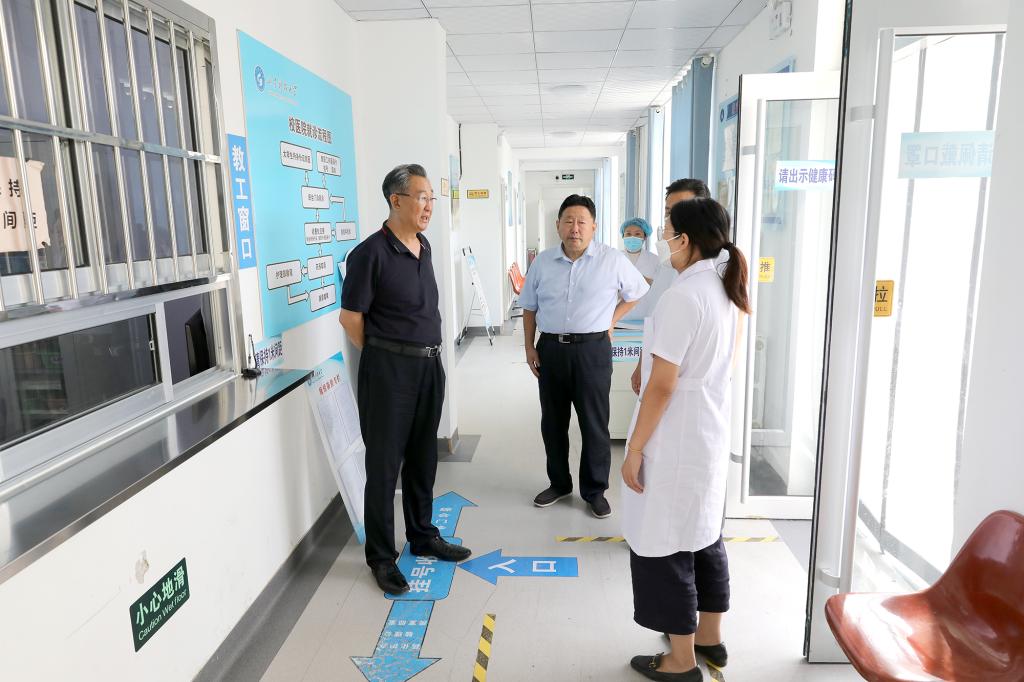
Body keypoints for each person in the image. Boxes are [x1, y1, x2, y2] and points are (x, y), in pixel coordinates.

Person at [621, 198, 751, 681]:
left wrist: (635, 449)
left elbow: (663, 385)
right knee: (703, 534)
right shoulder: (724, 287)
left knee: (666, 543)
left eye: (667, 232)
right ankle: (710, 639)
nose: (662, 241)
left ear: (686, 239)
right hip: (708, 429)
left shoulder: (685, 296)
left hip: (676, 436)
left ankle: (680, 660)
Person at [339, 163, 471, 595]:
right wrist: (385, 355)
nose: (429, 205)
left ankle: (422, 534)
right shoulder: (369, 254)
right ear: (396, 200)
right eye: (421, 197)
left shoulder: (424, 246)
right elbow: (351, 319)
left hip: (429, 367)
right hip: (389, 372)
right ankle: (381, 557)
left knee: (422, 456)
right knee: (383, 466)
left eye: (432, 197)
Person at [519, 194, 649, 519]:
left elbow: (637, 292)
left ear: (594, 227)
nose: (574, 228)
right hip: (551, 349)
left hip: (593, 350)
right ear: (558, 225)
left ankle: (594, 490)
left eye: (581, 222)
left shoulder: (612, 260)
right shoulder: (542, 262)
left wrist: (611, 320)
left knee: (594, 423)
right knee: (553, 422)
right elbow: (529, 307)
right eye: (568, 221)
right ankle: (559, 483)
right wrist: (529, 346)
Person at [631, 178, 712, 392]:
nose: (671, 219)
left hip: (689, 381)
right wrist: (641, 364)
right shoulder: (668, 263)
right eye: (668, 212)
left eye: (681, 211)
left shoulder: (717, 268)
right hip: (660, 374)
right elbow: (654, 320)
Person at [621, 217, 660, 284]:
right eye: (628, 234)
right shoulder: (615, 258)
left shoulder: (655, 260)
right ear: (623, 236)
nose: (632, 237)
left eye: (637, 234)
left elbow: (661, 285)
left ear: (645, 237)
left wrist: (646, 281)